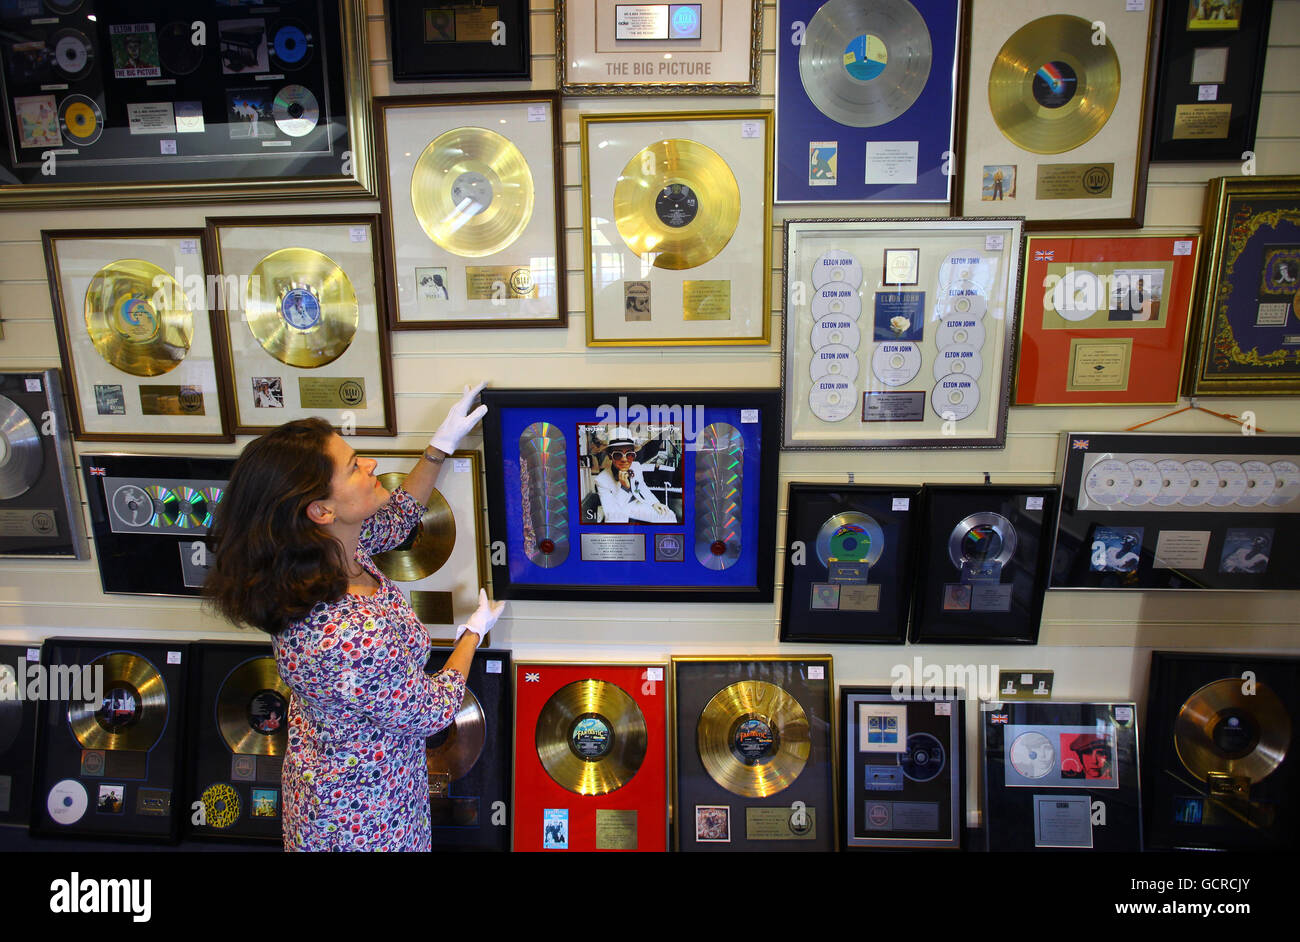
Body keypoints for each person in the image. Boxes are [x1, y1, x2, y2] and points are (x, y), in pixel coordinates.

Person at [203, 382, 504, 851]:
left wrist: (438, 449)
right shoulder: (344, 634)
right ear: (322, 509)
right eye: (354, 467)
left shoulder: (331, 555)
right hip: (359, 818)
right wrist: (472, 633)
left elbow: (397, 517)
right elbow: (431, 711)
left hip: (366, 786)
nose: (371, 465)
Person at [591, 427, 676, 524]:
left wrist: (654, 502)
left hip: (636, 504)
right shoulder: (601, 480)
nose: (624, 459)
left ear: (634, 455)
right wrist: (624, 487)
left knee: (668, 515)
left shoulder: (636, 466)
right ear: (610, 456)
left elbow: (642, 487)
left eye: (629, 454)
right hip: (618, 508)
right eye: (618, 455)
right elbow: (612, 512)